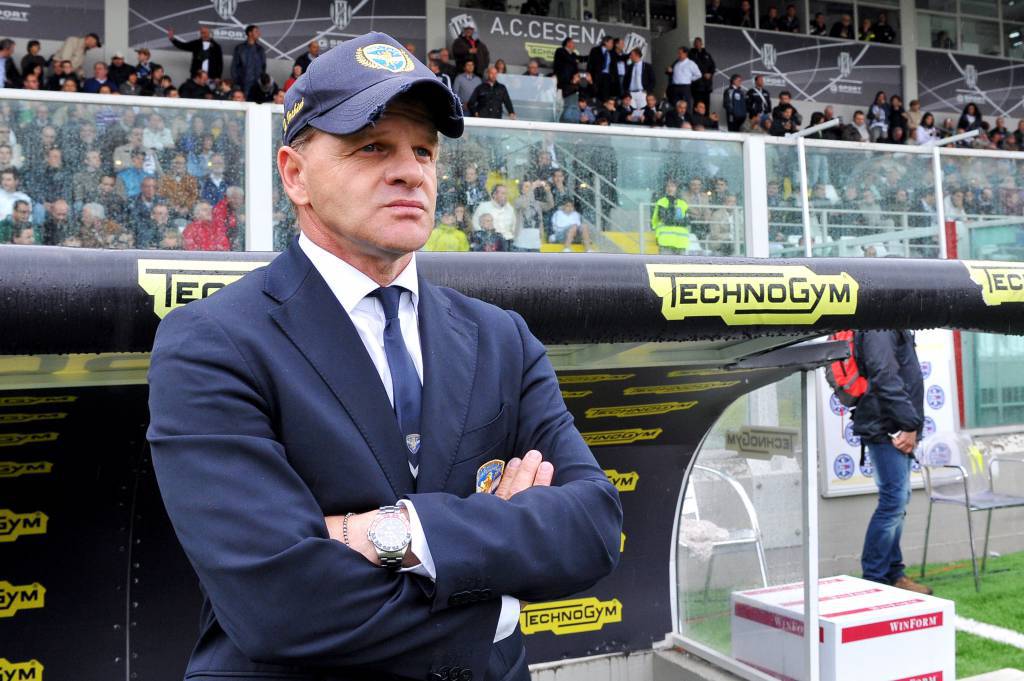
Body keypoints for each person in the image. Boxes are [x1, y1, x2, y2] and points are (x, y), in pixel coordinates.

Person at [147, 31, 621, 680]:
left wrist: (389, 531)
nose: (411, 171)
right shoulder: (212, 342)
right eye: (372, 146)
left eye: (424, 150)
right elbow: (278, 601)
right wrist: (496, 602)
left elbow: (592, 526)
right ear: (295, 174)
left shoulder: (502, 337)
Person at [852, 329, 930, 595]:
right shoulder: (879, 326)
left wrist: (910, 425)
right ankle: (874, 579)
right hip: (887, 426)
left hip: (893, 424)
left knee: (898, 502)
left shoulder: (892, 324)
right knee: (893, 502)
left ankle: (894, 573)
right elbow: (884, 376)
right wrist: (908, 424)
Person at [651, 179, 691, 254]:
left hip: (680, 242)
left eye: (672, 186)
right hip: (666, 241)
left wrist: (675, 220)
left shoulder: (683, 204)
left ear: (677, 188)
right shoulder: (661, 202)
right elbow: (666, 219)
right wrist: (679, 221)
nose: (670, 188)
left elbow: (687, 221)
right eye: (668, 186)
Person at [232, 24, 266, 99]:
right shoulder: (240, 48)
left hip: (257, 85)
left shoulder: (260, 49)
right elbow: (234, 67)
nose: (259, 33)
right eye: (256, 31)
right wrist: (237, 83)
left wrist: (262, 82)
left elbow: (263, 67)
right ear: (250, 33)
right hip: (243, 83)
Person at [587, 35, 616, 101]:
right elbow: (590, 63)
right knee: (595, 95)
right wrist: (588, 73)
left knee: (605, 97)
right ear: (605, 42)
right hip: (597, 76)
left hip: (607, 78)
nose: (612, 45)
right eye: (611, 43)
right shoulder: (595, 50)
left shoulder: (612, 53)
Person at [689, 38, 715, 110]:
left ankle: (706, 117)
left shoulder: (707, 55)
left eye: (699, 43)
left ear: (701, 44)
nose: (697, 44)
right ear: (694, 44)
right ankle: (696, 117)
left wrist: (710, 74)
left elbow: (713, 66)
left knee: (706, 107)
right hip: (696, 86)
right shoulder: (690, 55)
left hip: (706, 86)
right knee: (697, 106)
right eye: (696, 43)